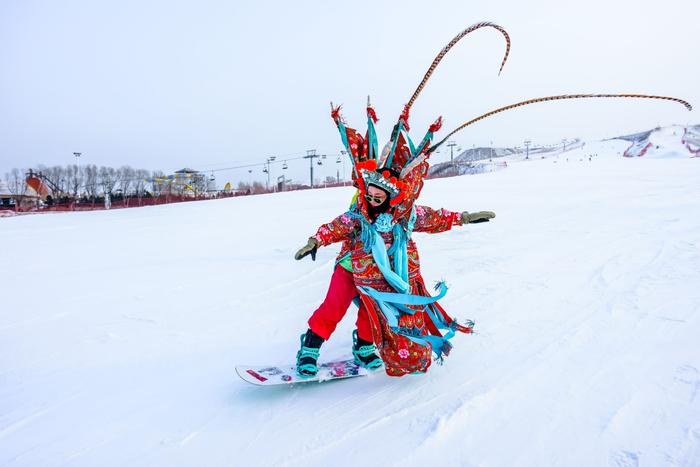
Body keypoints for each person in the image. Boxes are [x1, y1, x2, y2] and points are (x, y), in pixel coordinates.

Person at [294, 165, 495, 377]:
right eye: (369, 195)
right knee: (333, 308)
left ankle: (363, 347)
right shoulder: (358, 215)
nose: (371, 201)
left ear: (391, 196)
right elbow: (335, 227)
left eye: (377, 197)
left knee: (372, 313)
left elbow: (435, 217)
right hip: (350, 270)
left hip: (380, 278)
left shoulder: (406, 215)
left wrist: (464, 217)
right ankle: (309, 348)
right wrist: (315, 241)